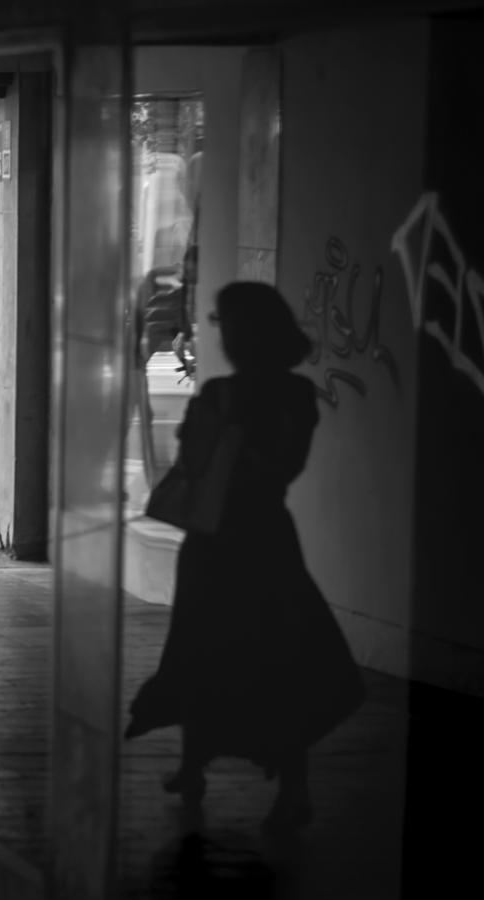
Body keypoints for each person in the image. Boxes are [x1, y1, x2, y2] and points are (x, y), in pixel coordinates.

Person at [124, 281, 366, 836]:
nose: (223, 335)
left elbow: (195, 464)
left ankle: (194, 767)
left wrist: (223, 441)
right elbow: (286, 467)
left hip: (217, 543)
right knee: (278, 659)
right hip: (263, 538)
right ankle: (288, 787)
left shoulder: (219, 397)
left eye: (226, 324)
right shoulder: (295, 396)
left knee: (204, 651)